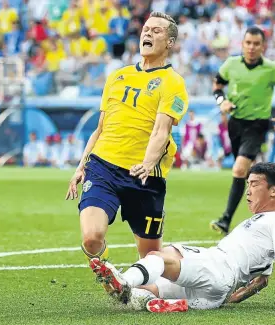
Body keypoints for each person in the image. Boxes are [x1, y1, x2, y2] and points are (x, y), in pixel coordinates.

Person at [65, 11, 189, 288]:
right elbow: (100, 128)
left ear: (169, 42)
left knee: (152, 258)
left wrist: (147, 162)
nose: (148, 33)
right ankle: (110, 279)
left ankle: (203, 279)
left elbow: (161, 131)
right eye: (146, 28)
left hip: (145, 175)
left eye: (157, 31)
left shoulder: (174, 83)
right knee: (91, 237)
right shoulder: (117, 76)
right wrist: (81, 165)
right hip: (103, 166)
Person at [91, 162, 275, 313]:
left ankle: (123, 280)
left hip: (219, 266)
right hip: (216, 292)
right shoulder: (262, 222)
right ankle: (157, 302)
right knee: (148, 288)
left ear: (274, 190)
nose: (247, 191)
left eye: (254, 184)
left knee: (162, 255)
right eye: (248, 184)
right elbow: (262, 280)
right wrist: (232, 299)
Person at [210, 26, 275, 234]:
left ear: (263, 46)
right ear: (243, 44)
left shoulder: (271, 69)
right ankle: (263, 210)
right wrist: (222, 102)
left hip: (257, 124)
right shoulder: (231, 64)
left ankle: (225, 219)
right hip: (235, 123)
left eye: (256, 44)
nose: (252, 47)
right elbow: (218, 84)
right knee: (247, 172)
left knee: (239, 169)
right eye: (248, 43)